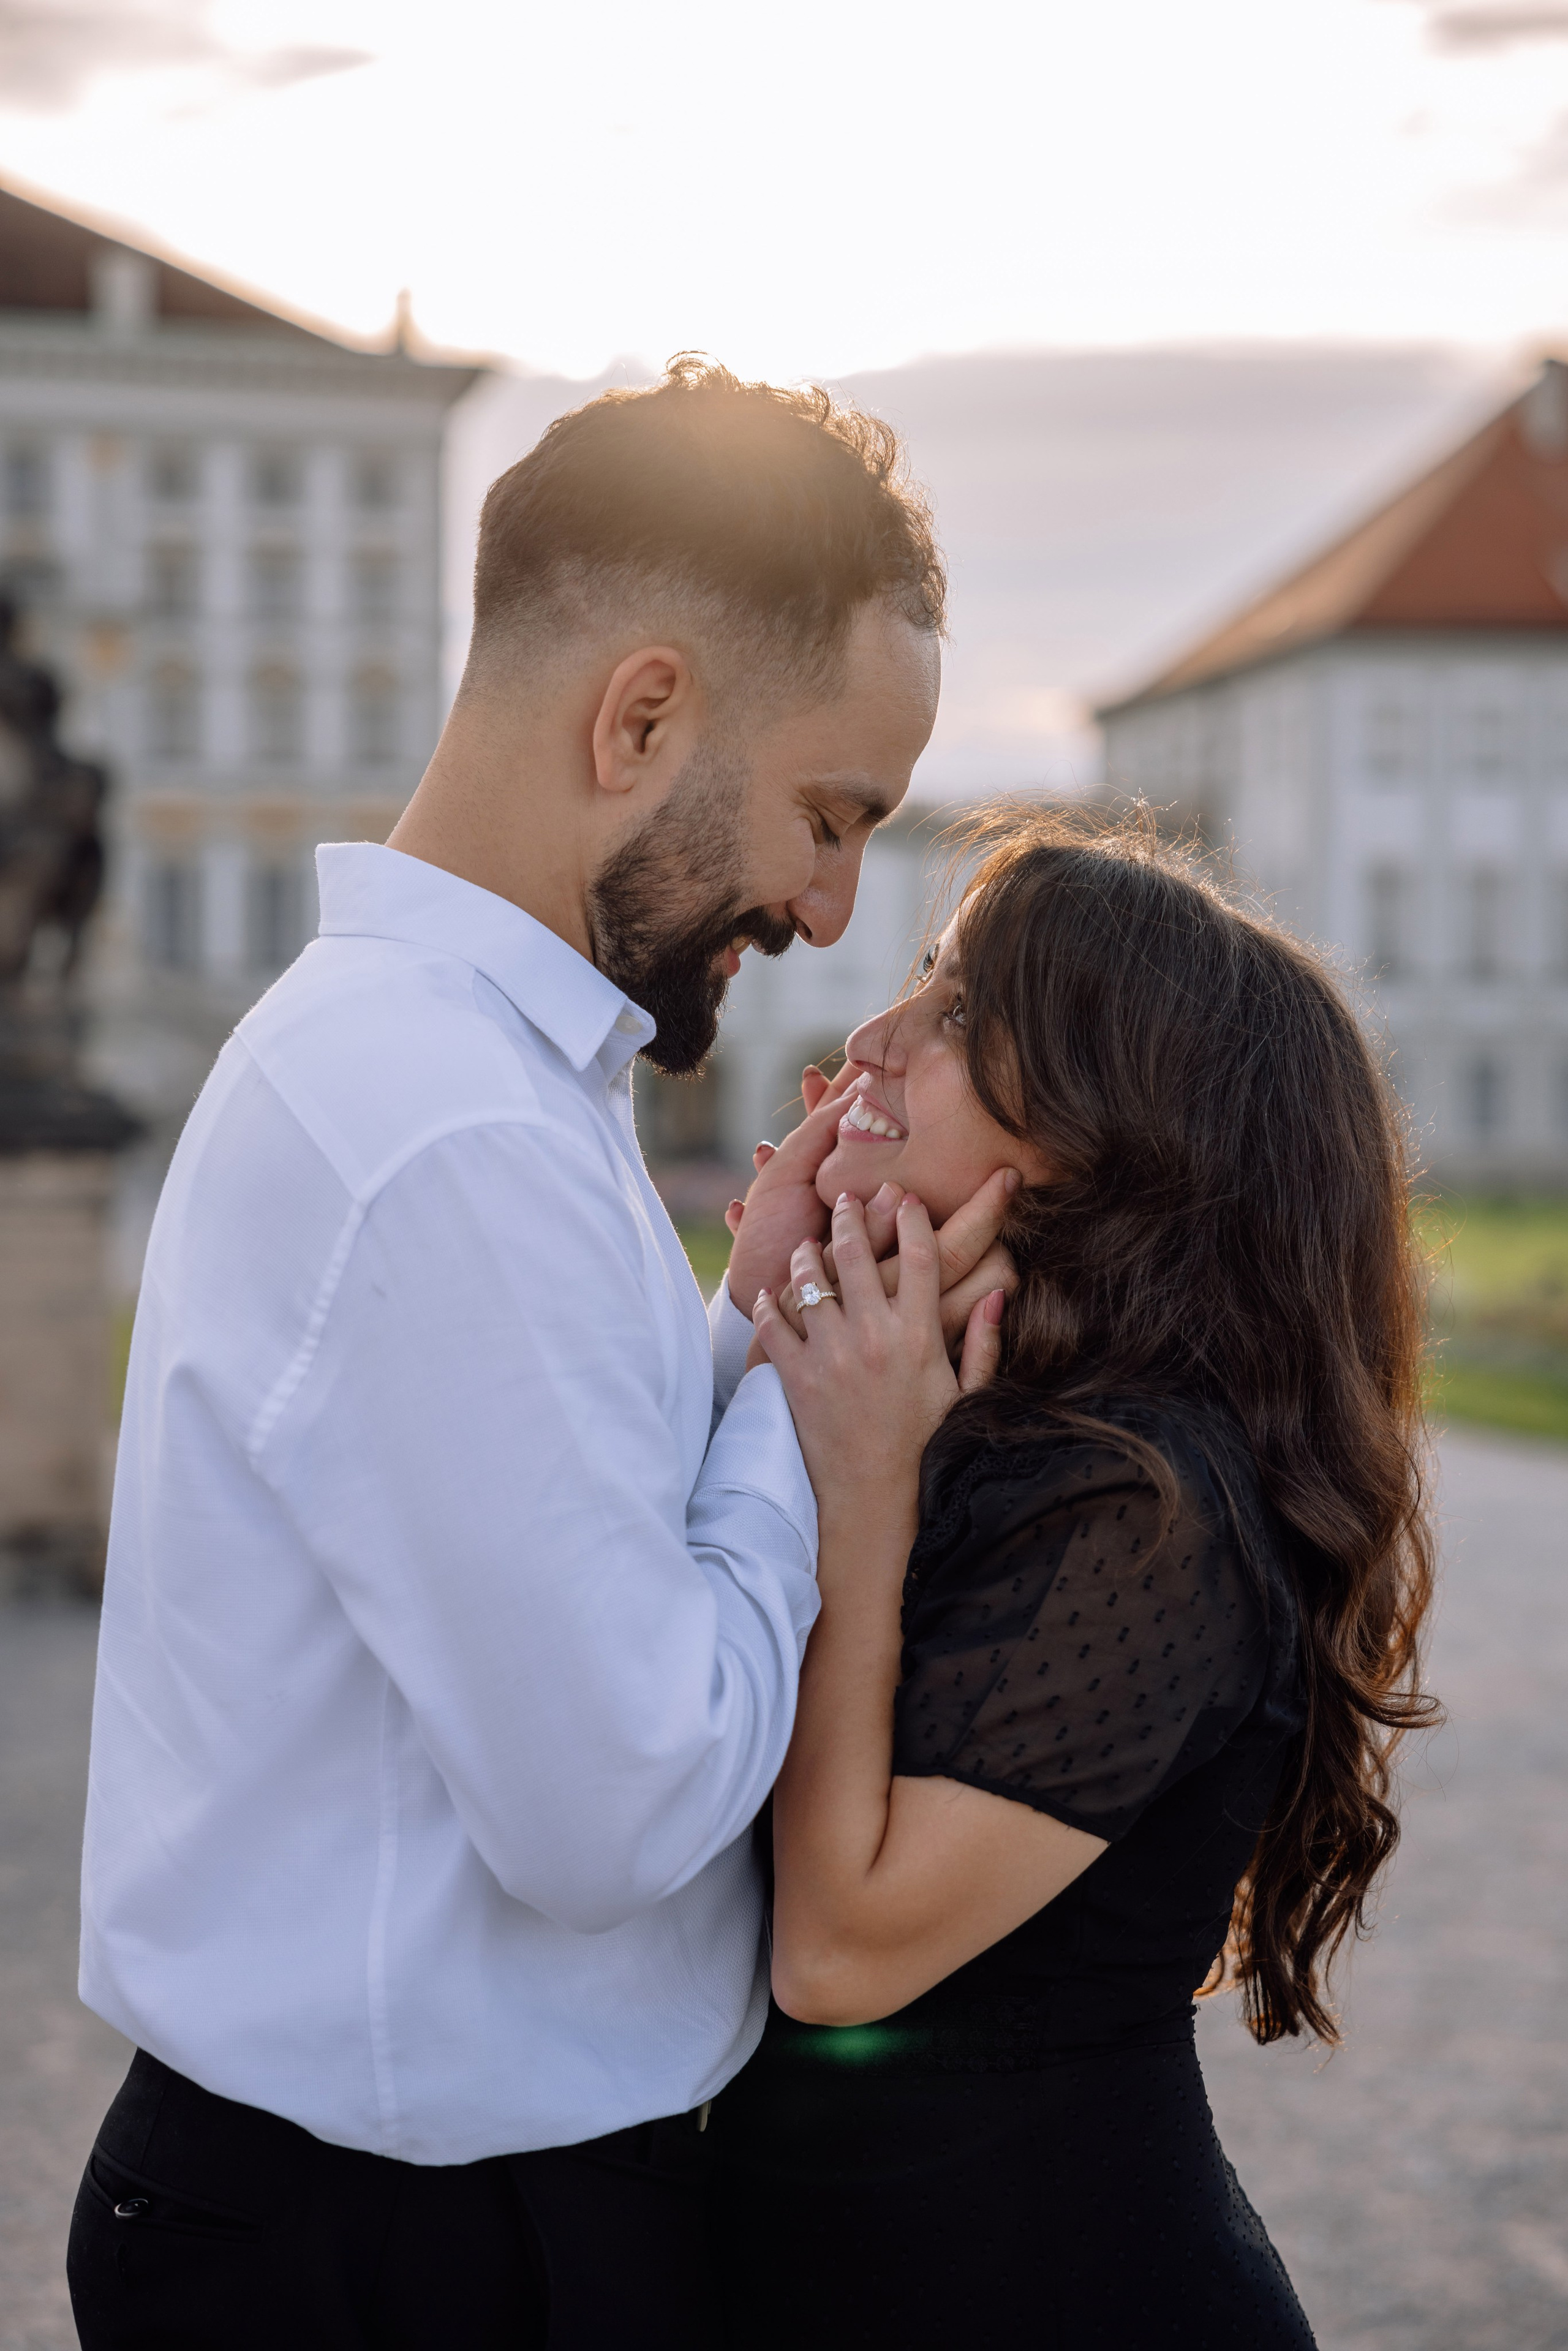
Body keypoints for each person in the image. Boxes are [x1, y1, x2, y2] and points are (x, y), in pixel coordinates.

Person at [66, 357, 1015, 2349]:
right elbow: (619, 1800)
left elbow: (521, 1526)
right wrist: (809, 1413)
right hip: (412, 2253)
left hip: (388, 2216)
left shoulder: (460, 1064)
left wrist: (732, 1321)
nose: (835, 911)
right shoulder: (452, 1124)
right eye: (826, 815)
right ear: (642, 713)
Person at [710, 805, 1439, 2349]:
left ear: (1105, 1133)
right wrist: (758, 1301)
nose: (871, 1035)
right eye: (925, 974)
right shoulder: (951, 1412)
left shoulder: (1146, 1503)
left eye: (963, 1009)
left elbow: (837, 1954)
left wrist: (860, 1496)